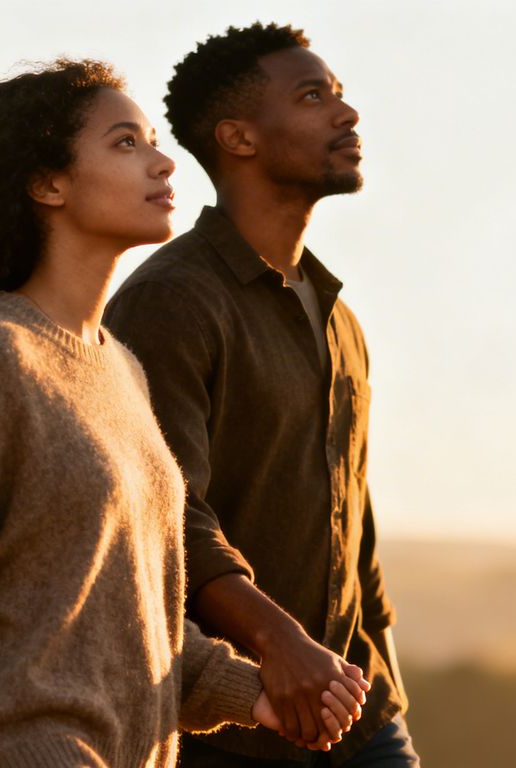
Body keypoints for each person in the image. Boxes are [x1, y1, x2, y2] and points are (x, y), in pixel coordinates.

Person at [0, 58, 368, 767]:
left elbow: (130, 620)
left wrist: (248, 693)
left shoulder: (121, 370)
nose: (163, 161)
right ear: (47, 183)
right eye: (125, 144)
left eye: (151, 140)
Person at [103, 24, 420, 767]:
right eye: (313, 97)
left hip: (360, 716)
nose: (347, 115)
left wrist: (385, 689)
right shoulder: (170, 301)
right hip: (230, 726)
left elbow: (352, 515)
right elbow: (164, 509)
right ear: (238, 138)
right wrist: (279, 643)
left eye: (340, 95)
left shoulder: (338, 316)